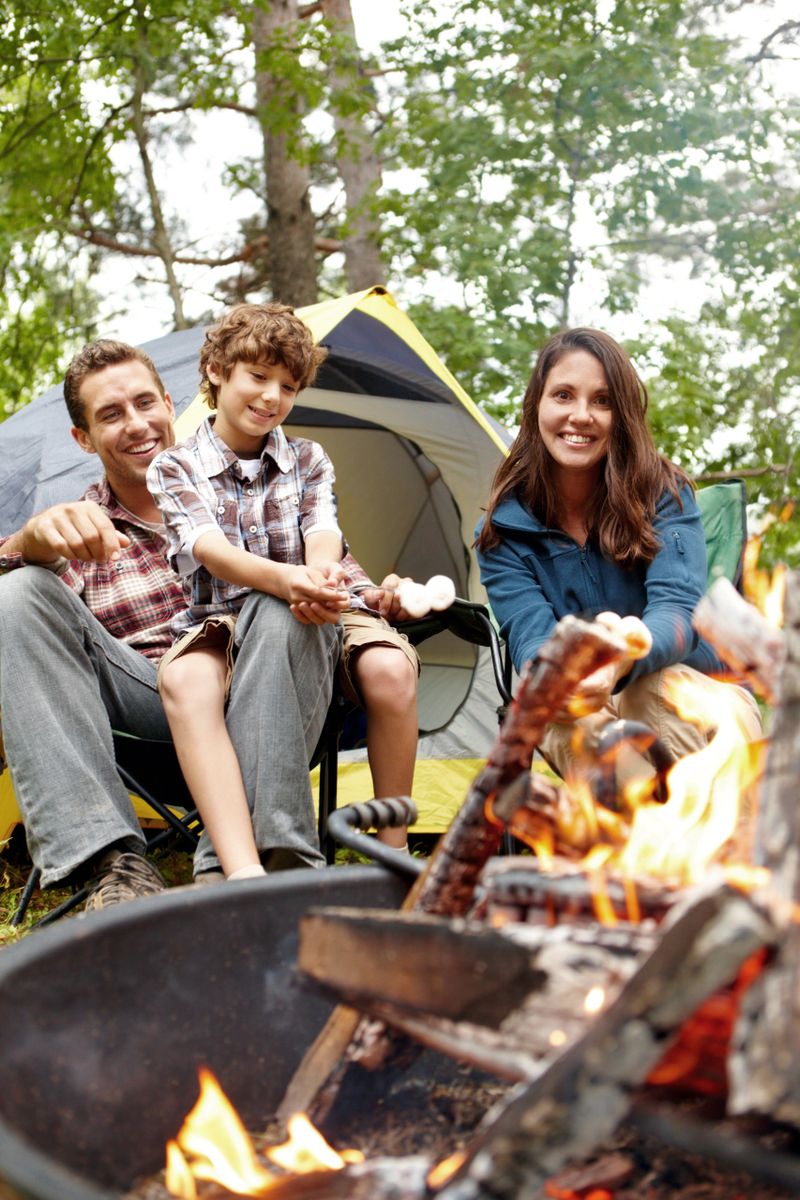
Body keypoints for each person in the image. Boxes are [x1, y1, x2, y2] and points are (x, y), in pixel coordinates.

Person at [0, 338, 406, 913]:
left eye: (145, 403)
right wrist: (26, 542)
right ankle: (110, 863)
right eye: (111, 415)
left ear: (171, 402)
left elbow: (342, 584)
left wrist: (383, 597)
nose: (137, 424)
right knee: (14, 592)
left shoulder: (261, 483)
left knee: (282, 601)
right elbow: (28, 632)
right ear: (83, 439)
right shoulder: (82, 527)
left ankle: (270, 861)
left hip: (276, 703)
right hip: (153, 716)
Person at [146, 302, 419, 880]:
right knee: (272, 610)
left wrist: (317, 577)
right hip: (221, 619)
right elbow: (207, 548)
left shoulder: (308, 459)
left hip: (318, 608)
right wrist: (289, 581)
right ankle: (284, 852)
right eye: (258, 376)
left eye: (289, 386)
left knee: (392, 672)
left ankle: (392, 845)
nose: (272, 397)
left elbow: (323, 533)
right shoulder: (174, 467)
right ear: (217, 369)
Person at [475, 327, 762, 790]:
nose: (581, 416)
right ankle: (647, 852)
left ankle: (704, 854)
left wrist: (623, 661)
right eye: (563, 395)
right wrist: (569, 677)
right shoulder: (502, 533)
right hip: (587, 706)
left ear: (622, 413)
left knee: (647, 692)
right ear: (537, 406)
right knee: (565, 717)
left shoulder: (663, 494)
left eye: (602, 400)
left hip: (705, 697)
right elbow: (533, 643)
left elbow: (678, 613)